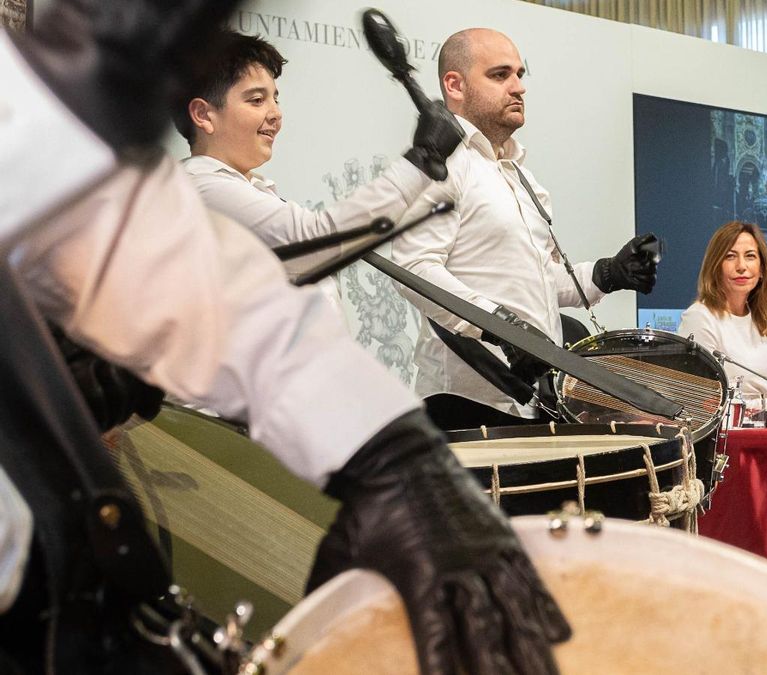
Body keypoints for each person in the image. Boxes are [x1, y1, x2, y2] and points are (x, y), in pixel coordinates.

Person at [1, 5, 568, 673]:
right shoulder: (204, 183)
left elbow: (222, 294)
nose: (274, 113)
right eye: (255, 97)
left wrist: (389, 449)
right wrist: (420, 167)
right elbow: (307, 243)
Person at [390, 28, 660, 431]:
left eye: (519, 74)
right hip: (464, 402)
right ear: (455, 85)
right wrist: (503, 327)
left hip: (531, 401)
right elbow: (413, 269)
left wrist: (607, 273)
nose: (518, 87)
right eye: (500, 76)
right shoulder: (439, 165)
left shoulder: (524, 180)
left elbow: (538, 285)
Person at [173, 31, 459, 255]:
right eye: (257, 100)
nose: (275, 113)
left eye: (275, 98)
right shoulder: (199, 187)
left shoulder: (251, 189)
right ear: (203, 114)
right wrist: (423, 159)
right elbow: (313, 242)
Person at [677, 221, 767, 409]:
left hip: (762, 431)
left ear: (762, 269)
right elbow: (704, 404)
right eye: (730, 257)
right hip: (723, 435)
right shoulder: (699, 318)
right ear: (715, 267)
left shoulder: (762, 319)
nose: (741, 266)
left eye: (750, 256)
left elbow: (763, 392)